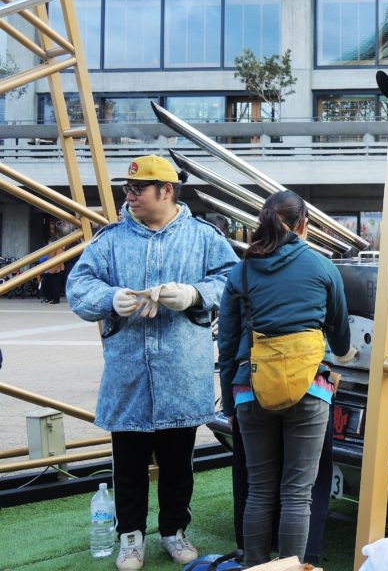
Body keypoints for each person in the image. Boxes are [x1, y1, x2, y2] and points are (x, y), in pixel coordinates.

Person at [67, 154, 237, 571]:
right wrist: (110, 299)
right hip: (129, 375)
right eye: (128, 188)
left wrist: (194, 294)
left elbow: (232, 281)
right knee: (127, 464)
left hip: (182, 372)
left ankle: (174, 532)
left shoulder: (204, 237)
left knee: (179, 464)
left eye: (138, 188)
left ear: (167, 190)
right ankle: (131, 537)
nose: (130, 195)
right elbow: (79, 285)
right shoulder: (109, 240)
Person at [217, 190, 349, 565]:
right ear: (304, 224)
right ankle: (292, 567)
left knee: (259, 490)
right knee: (297, 493)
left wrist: (230, 402)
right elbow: (340, 337)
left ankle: (255, 566)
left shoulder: (241, 271)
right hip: (309, 388)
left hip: (250, 389)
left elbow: (227, 345)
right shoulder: (323, 267)